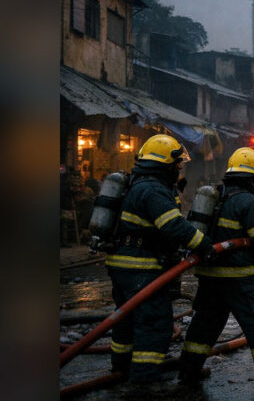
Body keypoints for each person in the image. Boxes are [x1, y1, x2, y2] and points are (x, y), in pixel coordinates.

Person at [179, 147, 254, 384]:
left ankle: (188, 371)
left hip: (210, 275)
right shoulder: (248, 201)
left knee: (205, 324)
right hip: (238, 276)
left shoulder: (217, 195)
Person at [106, 134, 213, 384]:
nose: (179, 168)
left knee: (125, 320)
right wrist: (203, 244)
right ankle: (144, 380)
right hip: (142, 266)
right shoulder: (153, 189)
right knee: (154, 323)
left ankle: (121, 368)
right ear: (165, 164)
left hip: (123, 265)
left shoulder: (138, 183)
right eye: (177, 164)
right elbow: (173, 225)